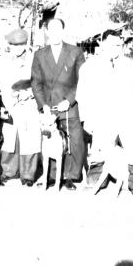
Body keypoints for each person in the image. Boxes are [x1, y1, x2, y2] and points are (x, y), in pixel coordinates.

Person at [78, 31, 133, 194]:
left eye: (118, 44)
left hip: (125, 113)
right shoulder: (90, 66)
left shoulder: (129, 65)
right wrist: (86, 119)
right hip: (102, 116)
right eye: (112, 44)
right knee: (99, 148)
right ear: (102, 44)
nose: (116, 48)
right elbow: (82, 94)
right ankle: (95, 180)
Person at [31, 17, 86, 190]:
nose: (55, 33)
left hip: (69, 105)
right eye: (51, 29)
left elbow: (82, 81)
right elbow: (35, 82)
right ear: (46, 32)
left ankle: (69, 176)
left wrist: (69, 101)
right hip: (48, 107)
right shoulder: (39, 55)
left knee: (74, 140)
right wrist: (43, 105)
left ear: (63, 31)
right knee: (49, 141)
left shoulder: (76, 52)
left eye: (58, 29)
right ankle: (52, 176)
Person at [0, 28, 41, 186]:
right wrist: (11, 98)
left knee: (30, 138)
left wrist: (30, 94)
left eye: (21, 45)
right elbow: (1, 84)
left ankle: (28, 174)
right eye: (13, 45)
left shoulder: (35, 60)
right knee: (10, 138)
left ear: (26, 45)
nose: (17, 48)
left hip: (29, 103)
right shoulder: (1, 61)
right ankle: (9, 171)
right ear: (9, 45)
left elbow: (40, 81)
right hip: (10, 103)